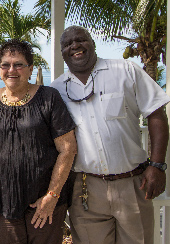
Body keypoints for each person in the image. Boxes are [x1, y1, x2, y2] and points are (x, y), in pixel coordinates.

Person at [51, 25, 170, 244]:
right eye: (67, 44)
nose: (75, 46)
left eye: (81, 40)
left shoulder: (126, 70)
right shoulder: (57, 89)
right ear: (62, 53)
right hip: (85, 189)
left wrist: (157, 165)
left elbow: (156, 114)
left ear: (93, 43)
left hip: (133, 183)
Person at [0, 39, 77, 244]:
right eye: (5, 64)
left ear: (30, 69)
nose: (11, 69)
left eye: (18, 64)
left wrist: (52, 195)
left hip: (43, 203)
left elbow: (68, 149)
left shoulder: (49, 97)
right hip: (1, 202)